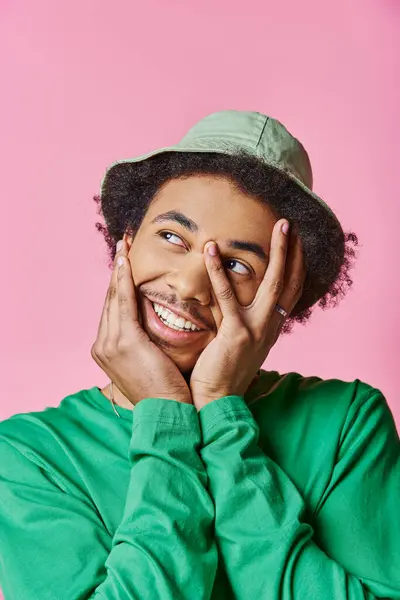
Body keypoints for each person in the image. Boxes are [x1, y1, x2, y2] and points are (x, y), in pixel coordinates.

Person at [0, 110, 399, 600]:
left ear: (282, 294)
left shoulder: (345, 425)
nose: (188, 287)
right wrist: (165, 415)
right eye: (172, 237)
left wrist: (220, 412)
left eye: (235, 264)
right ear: (127, 241)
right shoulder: (28, 456)